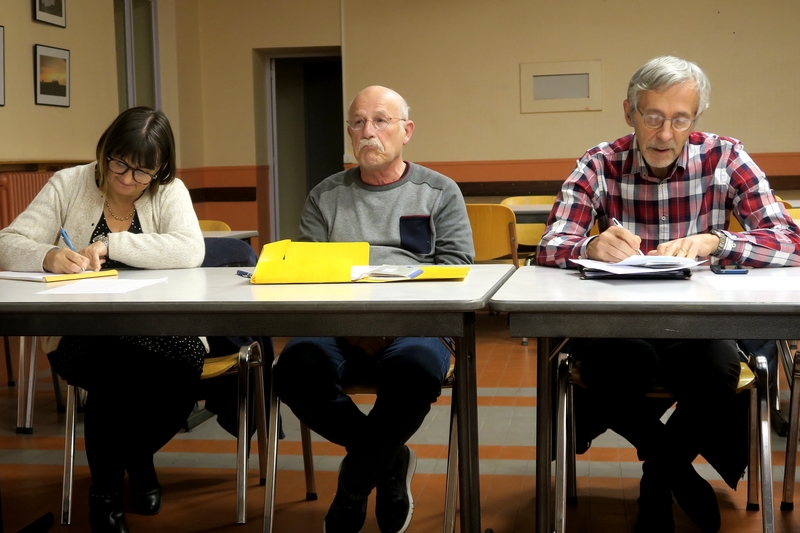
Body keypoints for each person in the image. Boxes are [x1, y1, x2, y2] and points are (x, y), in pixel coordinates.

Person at [537, 56, 800, 533]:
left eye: (680, 120)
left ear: (696, 118)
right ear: (629, 112)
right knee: (612, 366)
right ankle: (675, 470)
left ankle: (656, 482)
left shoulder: (725, 157)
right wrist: (589, 246)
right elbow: (550, 244)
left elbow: (790, 240)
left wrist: (718, 241)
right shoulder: (599, 162)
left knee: (717, 369)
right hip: (619, 325)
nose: (664, 134)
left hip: (700, 324)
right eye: (653, 117)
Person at [273, 85, 474, 533]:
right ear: (349, 132)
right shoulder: (325, 195)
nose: (368, 132)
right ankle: (387, 458)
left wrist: (391, 321)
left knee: (416, 369)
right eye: (359, 122)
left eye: (381, 121)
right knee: (293, 370)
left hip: (414, 324)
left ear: (407, 131)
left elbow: (457, 268)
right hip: (337, 323)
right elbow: (308, 272)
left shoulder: (439, 191)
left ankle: (353, 485)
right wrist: (351, 323)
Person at [0, 107, 206, 533]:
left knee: (186, 368)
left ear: (160, 168)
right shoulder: (68, 184)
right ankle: (106, 495)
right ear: (105, 151)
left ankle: (136, 459)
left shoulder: (169, 191)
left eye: (143, 171)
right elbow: (7, 242)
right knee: (116, 372)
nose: (128, 179)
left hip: (158, 328)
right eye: (120, 164)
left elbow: (191, 250)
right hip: (83, 332)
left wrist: (111, 245)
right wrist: (48, 255)